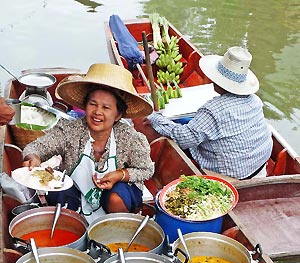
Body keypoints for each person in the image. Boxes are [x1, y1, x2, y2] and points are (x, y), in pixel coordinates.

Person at [22, 63, 155, 223]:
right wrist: (33, 157)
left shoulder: (129, 137)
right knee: (58, 190)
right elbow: (37, 147)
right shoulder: (70, 130)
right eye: (93, 104)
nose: (97, 112)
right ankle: (73, 229)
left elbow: (146, 169)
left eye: (106, 107)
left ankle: (117, 230)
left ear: (118, 115)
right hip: (75, 191)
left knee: (116, 197)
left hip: (113, 193)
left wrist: (120, 175)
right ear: (85, 106)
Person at [144, 46, 273, 180]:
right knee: (186, 123)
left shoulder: (214, 110)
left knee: (170, 133)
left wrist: (156, 118)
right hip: (259, 165)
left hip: (232, 174)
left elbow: (184, 139)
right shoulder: (255, 100)